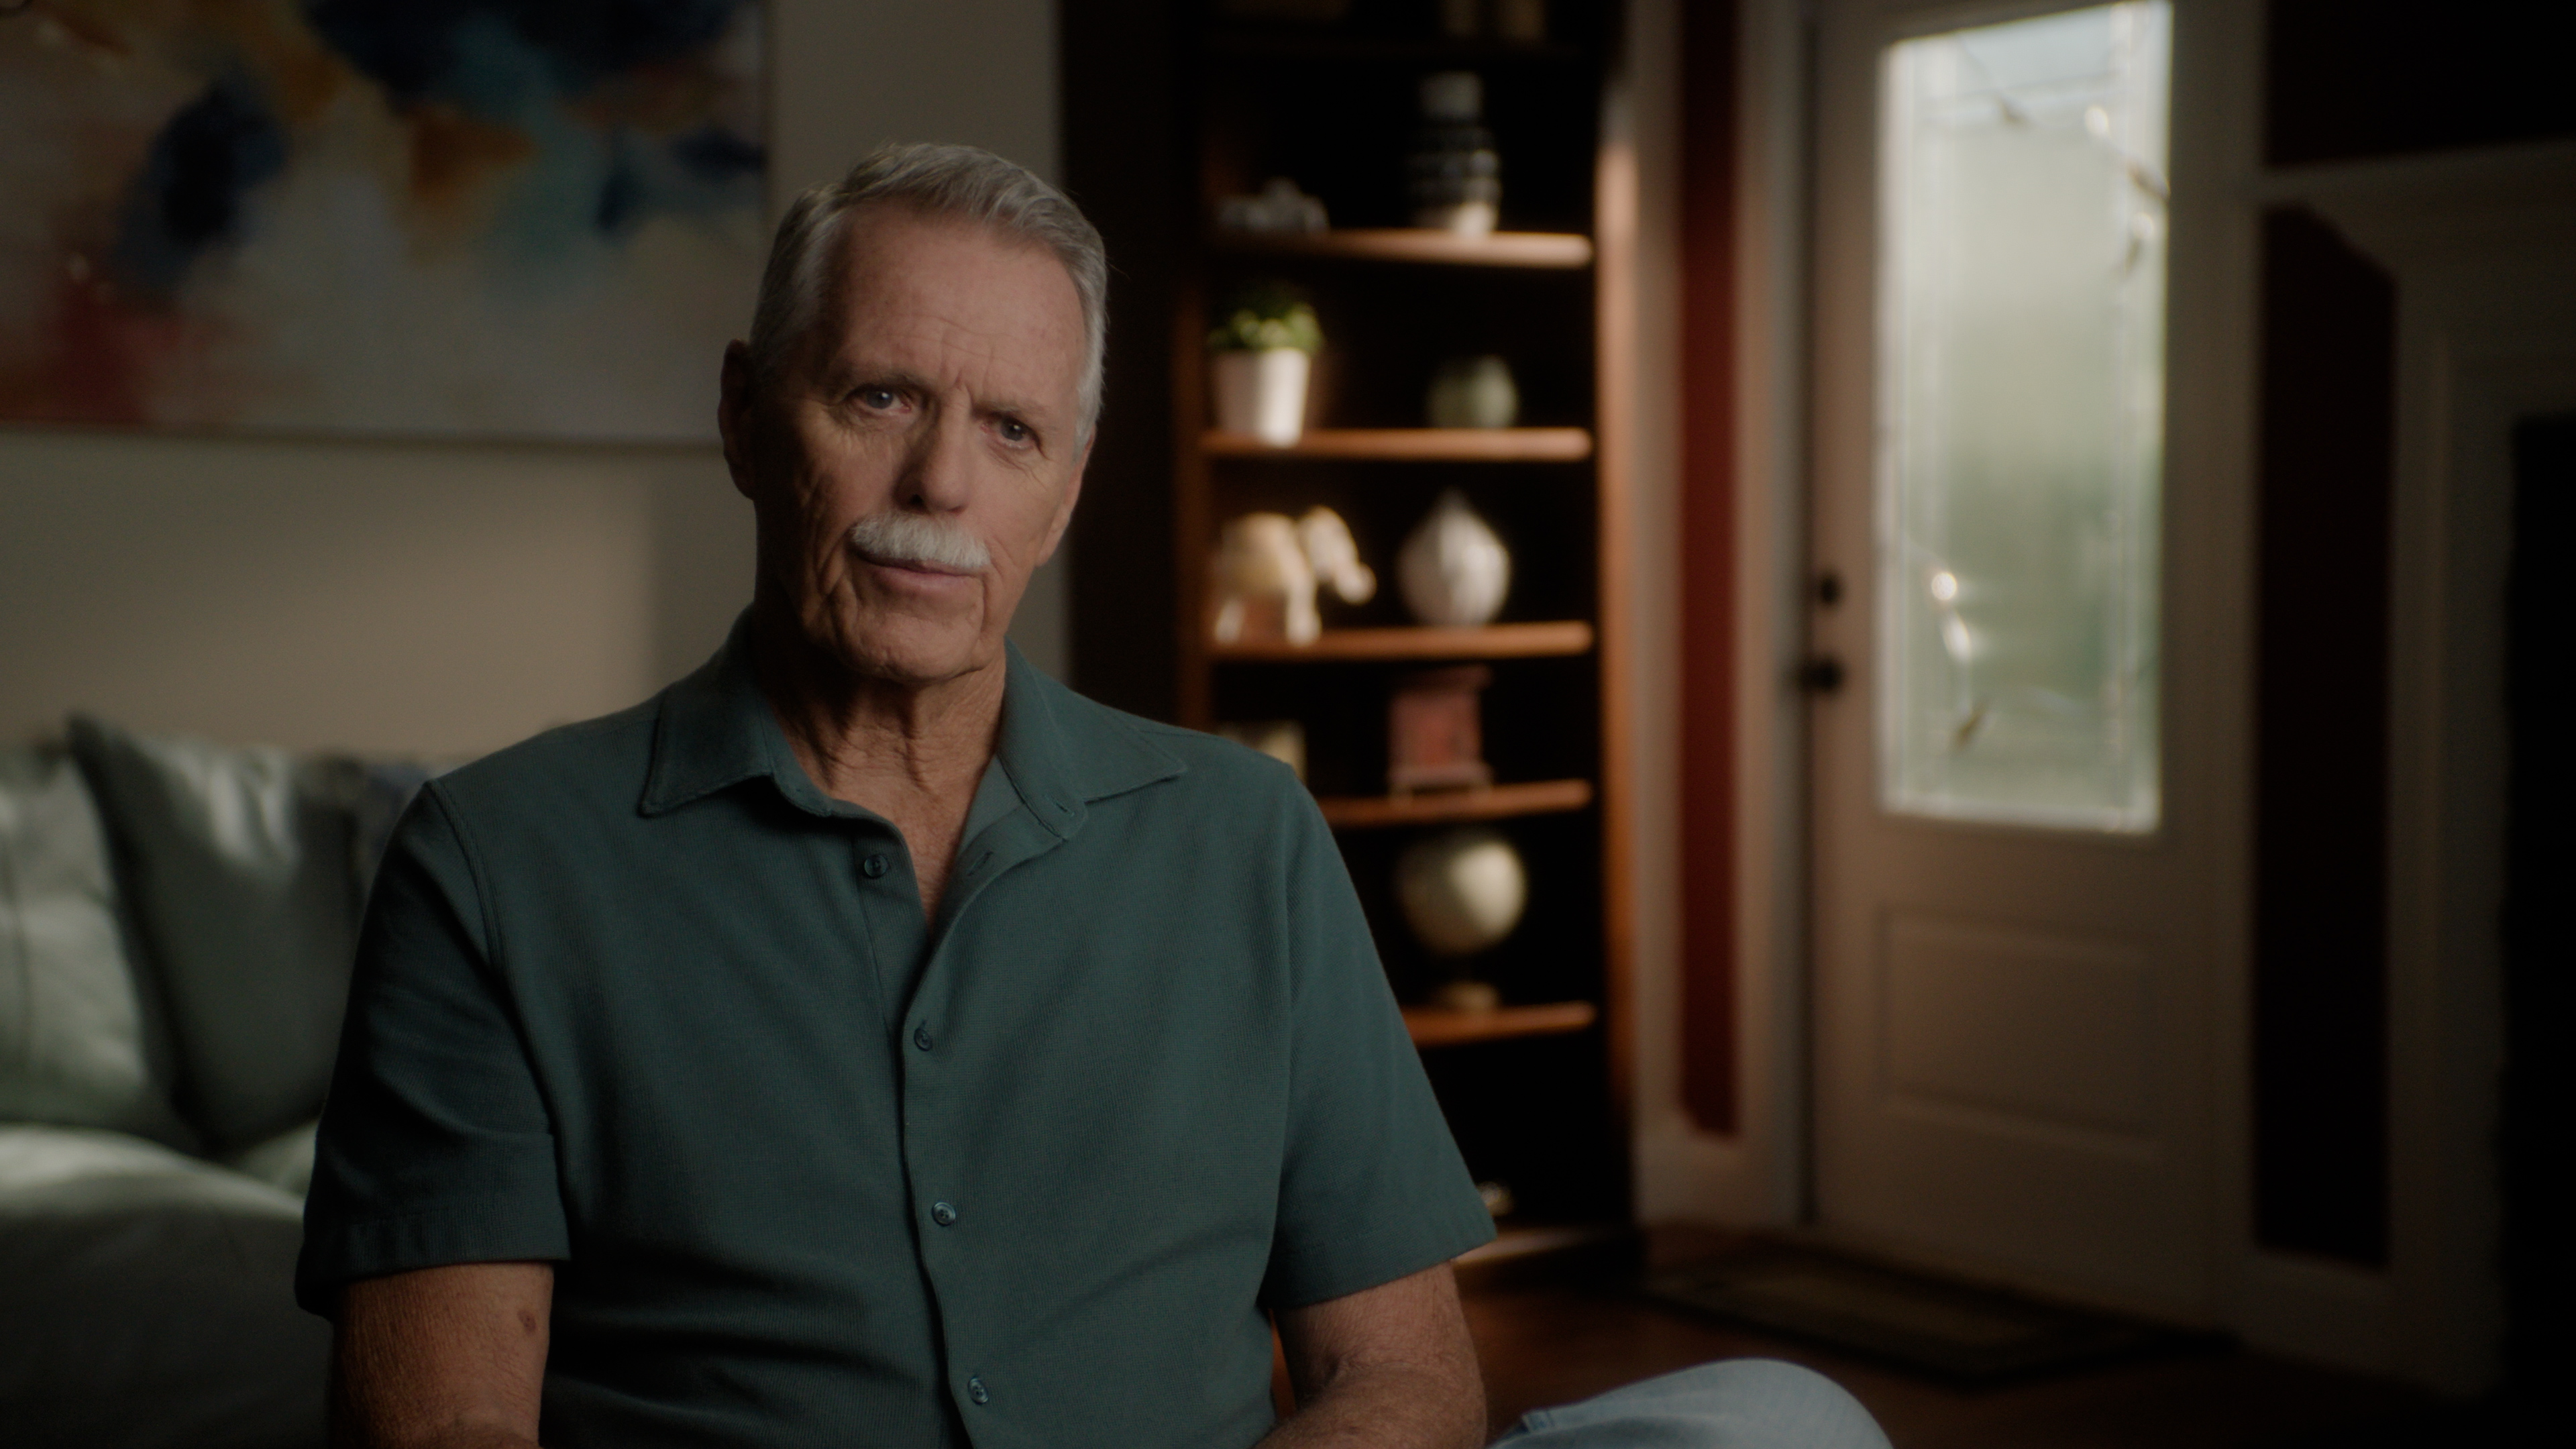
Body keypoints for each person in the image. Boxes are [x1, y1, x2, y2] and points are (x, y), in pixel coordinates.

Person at [297, 143, 1889, 1449]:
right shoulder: (495, 867)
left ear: (1069, 483)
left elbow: (1401, 1380)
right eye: (878, 401)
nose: (942, 490)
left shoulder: (1243, 838)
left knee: (1782, 1418)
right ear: (742, 416)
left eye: (1010, 430)